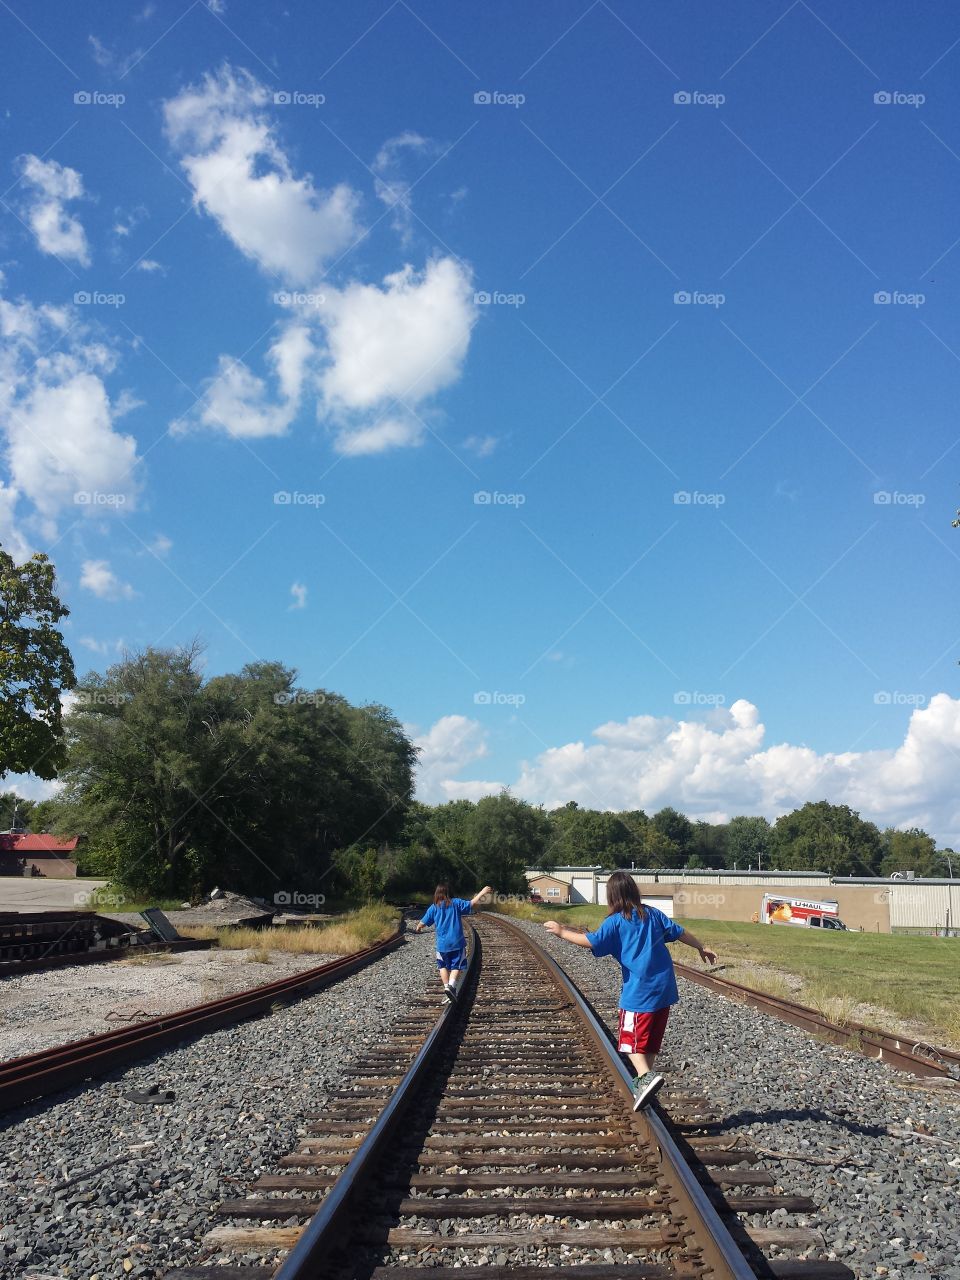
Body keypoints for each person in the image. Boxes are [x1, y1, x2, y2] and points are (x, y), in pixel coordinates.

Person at [544, 870, 717, 1109]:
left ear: (612, 896)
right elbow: (679, 932)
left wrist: (562, 932)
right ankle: (644, 1084)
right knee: (650, 1041)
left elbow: (591, 941)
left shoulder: (615, 922)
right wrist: (701, 947)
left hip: (640, 993)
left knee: (628, 1041)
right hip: (664, 989)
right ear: (634, 891)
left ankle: (645, 1078)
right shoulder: (653, 914)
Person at [415, 882, 493, 1001]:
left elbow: (422, 923)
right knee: (457, 965)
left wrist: (418, 928)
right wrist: (482, 892)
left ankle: (447, 987)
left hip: (442, 945)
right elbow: (472, 903)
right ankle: (451, 986)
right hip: (457, 943)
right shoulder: (456, 903)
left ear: (437, 894)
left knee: (442, 966)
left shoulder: (434, 907)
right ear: (450, 892)